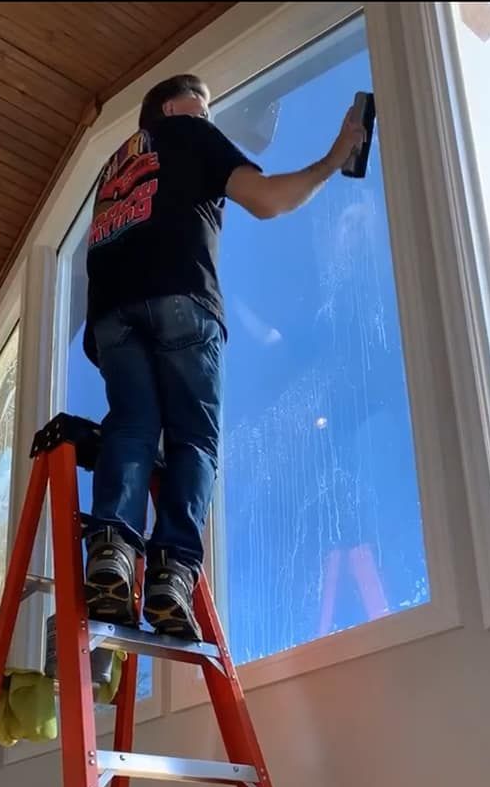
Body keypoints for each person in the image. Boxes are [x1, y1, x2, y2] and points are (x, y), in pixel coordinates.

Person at [83, 73, 365, 639]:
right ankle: (172, 575)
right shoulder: (188, 131)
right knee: (193, 439)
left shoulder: (111, 169)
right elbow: (268, 201)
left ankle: (112, 551)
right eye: (202, 103)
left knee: (133, 426)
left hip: (112, 314)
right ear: (171, 106)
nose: (209, 114)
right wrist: (336, 156)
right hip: (181, 299)